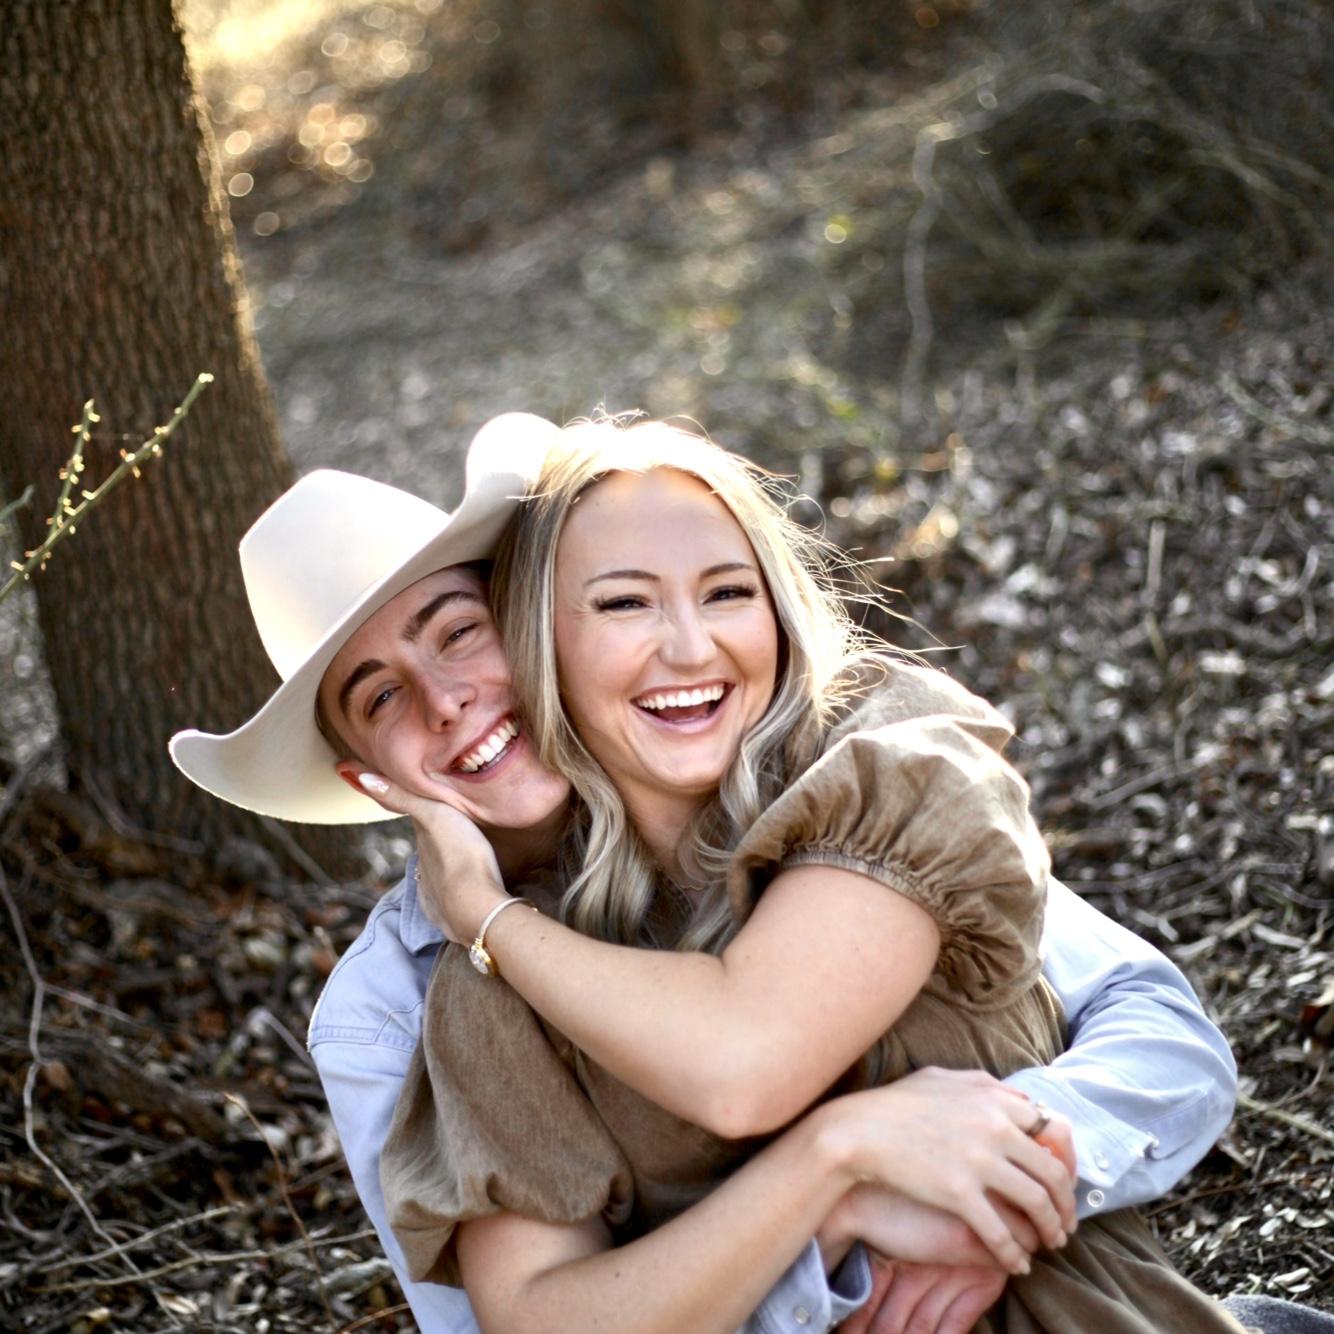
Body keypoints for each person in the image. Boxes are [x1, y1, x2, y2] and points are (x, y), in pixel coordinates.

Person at [168, 414, 1238, 1333]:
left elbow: (1152, 1024)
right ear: (367, 778)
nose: (446, 701)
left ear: (532, 626)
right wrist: (840, 1185)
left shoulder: (867, 773)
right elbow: (519, 1318)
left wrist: (988, 1186)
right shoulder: (432, 994)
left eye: (459, 634)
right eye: (382, 697)